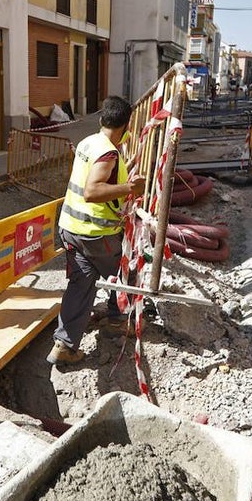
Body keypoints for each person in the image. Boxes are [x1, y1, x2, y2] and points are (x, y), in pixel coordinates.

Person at [49, 96, 146, 365]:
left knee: (81, 282)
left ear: (102, 118)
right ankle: (117, 320)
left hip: (70, 227)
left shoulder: (88, 142)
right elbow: (92, 191)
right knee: (126, 272)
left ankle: (65, 345)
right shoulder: (108, 152)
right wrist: (131, 188)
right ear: (126, 126)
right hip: (95, 233)